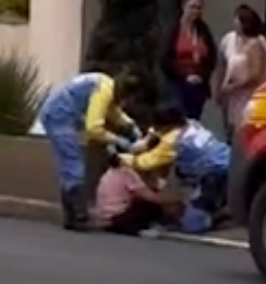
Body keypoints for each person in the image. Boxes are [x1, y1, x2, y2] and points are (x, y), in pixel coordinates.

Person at [38, 71, 141, 231]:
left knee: (68, 165)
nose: (127, 103)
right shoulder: (104, 91)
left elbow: (111, 110)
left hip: (57, 111)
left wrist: (129, 125)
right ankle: (80, 216)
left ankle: (71, 217)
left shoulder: (106, 83)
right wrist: (118, 140)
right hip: (58, 115)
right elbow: (93, 128)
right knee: (73, 164)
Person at [122, 104, 232, 234]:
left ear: (166, 125)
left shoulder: (174, 142)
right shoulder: (191, 124)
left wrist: (122, 158)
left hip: (214, 174)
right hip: (229, 160)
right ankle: (215, 205)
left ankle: (214, 216)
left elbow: (146, 162)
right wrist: (148, 139)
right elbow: (155, 132)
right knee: (184, 175)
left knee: (192, 225)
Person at [215, 5, 266, 138]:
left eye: (237, 19)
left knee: (244, 132)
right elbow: (222, 66)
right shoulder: (230, 40)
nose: (234, 22)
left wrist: (234, 86)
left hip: (247, 96)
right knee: (232, 132)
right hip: (234, 98)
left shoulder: (256, 44)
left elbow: (257, 74)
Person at [94, 148, 179, 236]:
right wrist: (175, 199)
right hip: (119, 218)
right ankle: (153, 226)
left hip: (106, 218)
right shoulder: (127, 173)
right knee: (151, 205)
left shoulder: (109, 173)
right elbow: (150, 197)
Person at [162, 0, 217, 121]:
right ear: (184, 7)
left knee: (194, 120)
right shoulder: (173, 29)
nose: (195, 11)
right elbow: (165, 58)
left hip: (198, 84)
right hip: (178, 83)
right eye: (192, 7)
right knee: (180, 119)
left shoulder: (203, 30)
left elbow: (211, 57)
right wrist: (184, 75)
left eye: (198, 8)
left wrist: (202, 75)